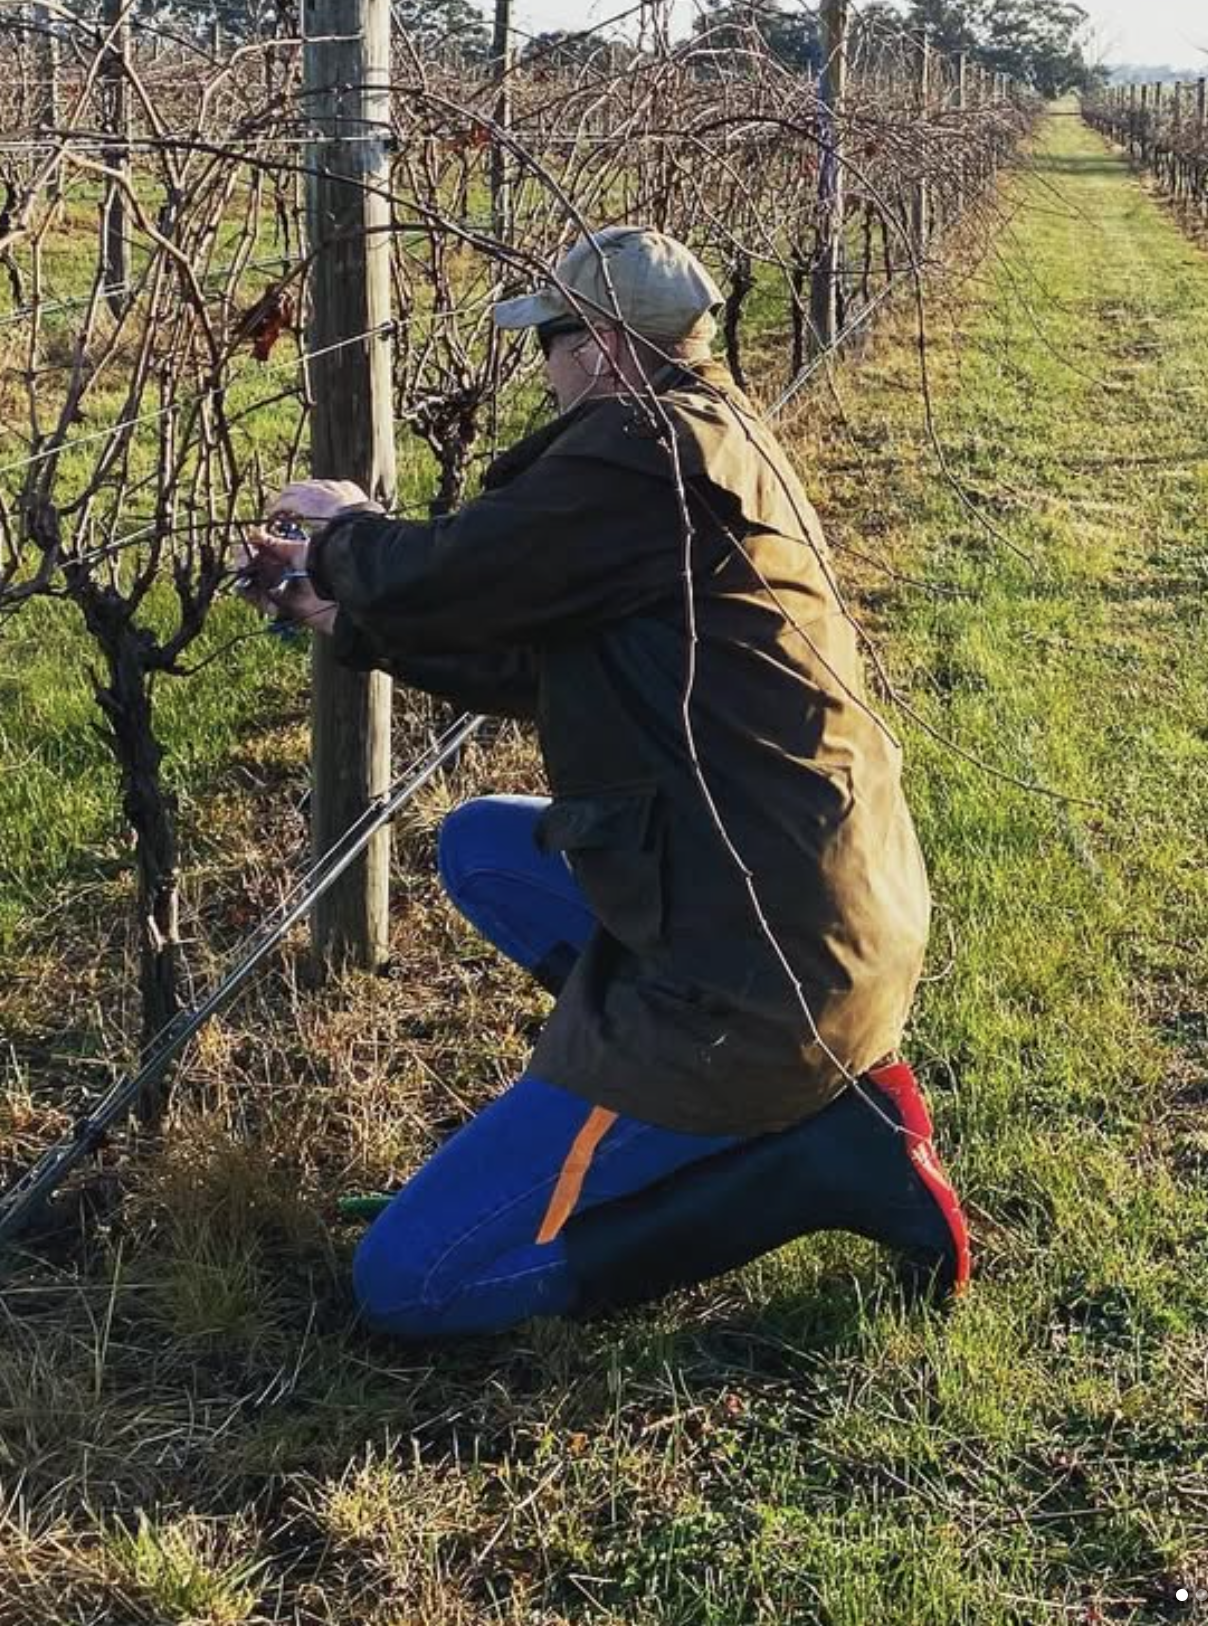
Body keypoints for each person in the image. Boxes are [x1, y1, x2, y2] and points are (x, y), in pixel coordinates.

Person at [242, 225, 970, 1336]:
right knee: (484, 842)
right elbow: (545, 659)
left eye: (553, 342)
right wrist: (350, 618)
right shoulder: (707, 437)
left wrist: (349, 537)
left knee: (412, 1281)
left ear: (612, 347)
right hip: (805, 914)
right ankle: (663, 1095)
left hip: (756, 980)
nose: (542, 367)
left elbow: (467, 567)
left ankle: (816, 1157)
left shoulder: (648, 450)